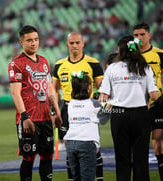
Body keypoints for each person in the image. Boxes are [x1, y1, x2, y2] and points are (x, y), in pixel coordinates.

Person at [99, 35, 159, 181]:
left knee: (122, 158)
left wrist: (107, 111)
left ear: (120, 50)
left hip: (119, 114)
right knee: (141, 157)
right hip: (141, 114)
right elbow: (154, 95)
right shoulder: (145, 67)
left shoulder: (112, 68)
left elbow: (103, 97)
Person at [8, 25, 62, 181]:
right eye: (29, 40)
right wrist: (24, 117)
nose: (34, 43)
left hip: (45, 118)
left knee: (47, 156)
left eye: (36, 39)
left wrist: (56, 112)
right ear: (21, 42)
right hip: (29, 120)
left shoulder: (44, 62)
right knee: (29, 158)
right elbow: (15, 93)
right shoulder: (16, 64)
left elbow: (50, 90)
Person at [52, 32, 104, 181]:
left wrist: (98, 106)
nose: (74, 46)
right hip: (67, 108)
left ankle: (99, 178)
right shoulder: (59, 65)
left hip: (88, 108)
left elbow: (102, 88)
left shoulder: (93, 63)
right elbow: (54, 90)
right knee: (70, 149)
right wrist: (55, 111)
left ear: (82, 44)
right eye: (71, 43)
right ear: (67, 44)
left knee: (94, 148)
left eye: (77, 43)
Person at [133, 22, 163, 181]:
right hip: (138, 107)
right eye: (136, 35)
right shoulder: (131, 56)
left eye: (142, 34)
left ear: (149, 35)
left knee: (158, 146)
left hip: (157, 105)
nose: (139, 38)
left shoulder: (160, 54)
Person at [64, 71, 110, 181]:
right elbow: (104, 120)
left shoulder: (70, 104)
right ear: (89, 88)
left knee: (76, 178)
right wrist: (107, 105)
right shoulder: (94, 104)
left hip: (70, 144)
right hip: (87, 143)